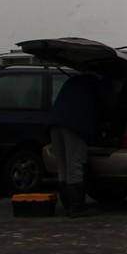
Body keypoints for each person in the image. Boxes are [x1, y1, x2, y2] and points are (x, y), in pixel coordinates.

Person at [50, 73, 100, 217]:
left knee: (62, 165)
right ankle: (77, 206)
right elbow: (108, 104)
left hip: (55, 123)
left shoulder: (73, 81)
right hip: (74, 126)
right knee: (74, 164)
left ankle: (67, 205)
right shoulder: (94, 82)